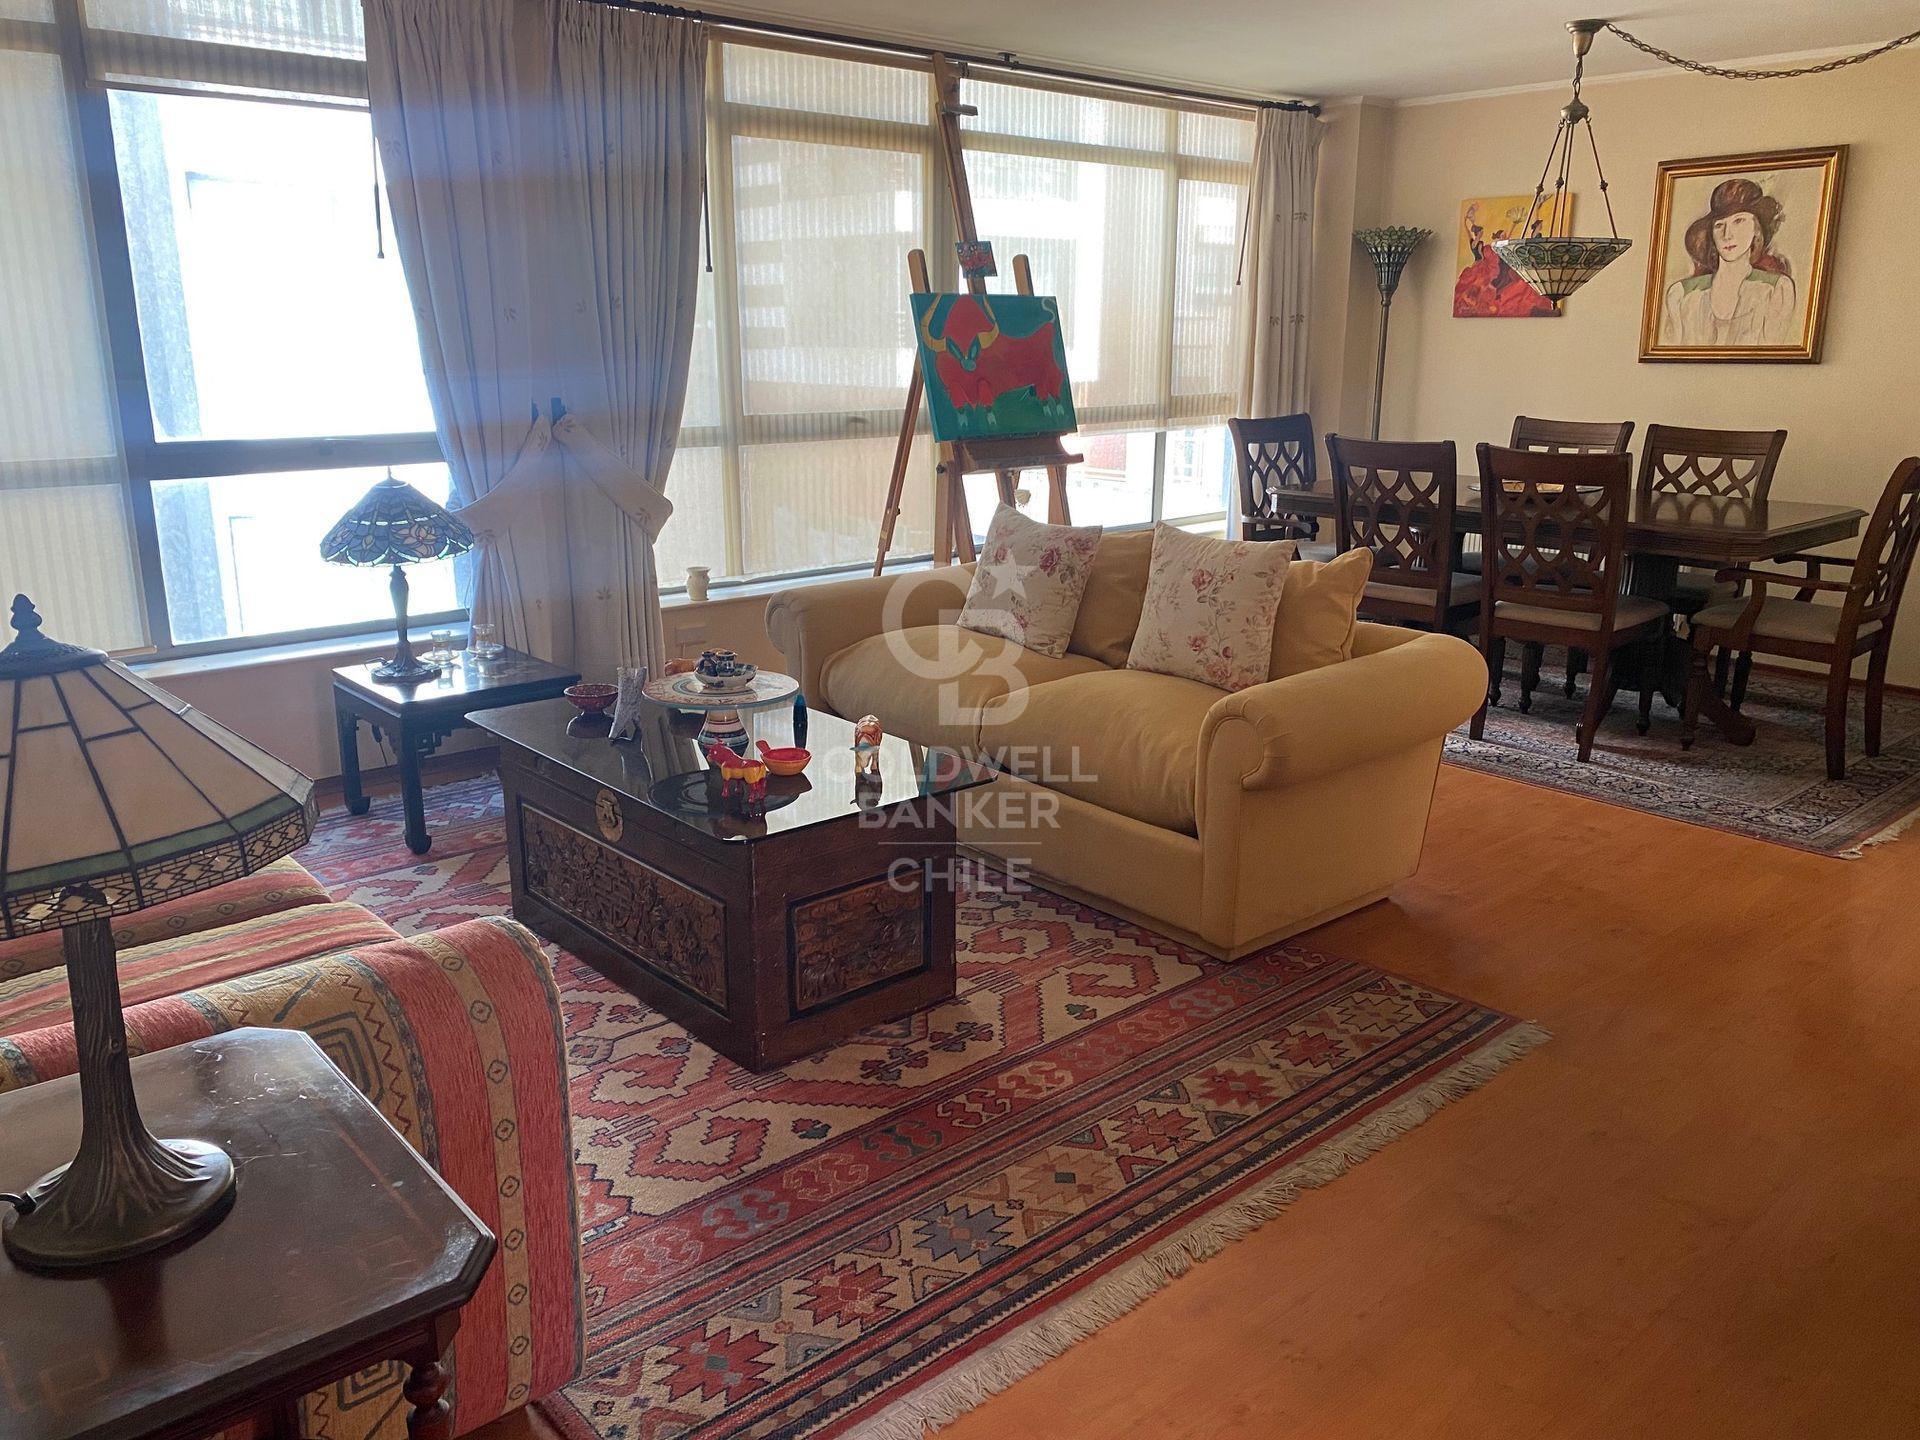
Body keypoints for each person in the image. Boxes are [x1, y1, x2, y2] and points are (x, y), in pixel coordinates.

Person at [1661, 177, 1797, 346]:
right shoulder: (1681, 295)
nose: (1727, 235)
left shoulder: (1776, 289)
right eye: (1719, 225)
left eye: (1738, 221)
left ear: (1756, 229)